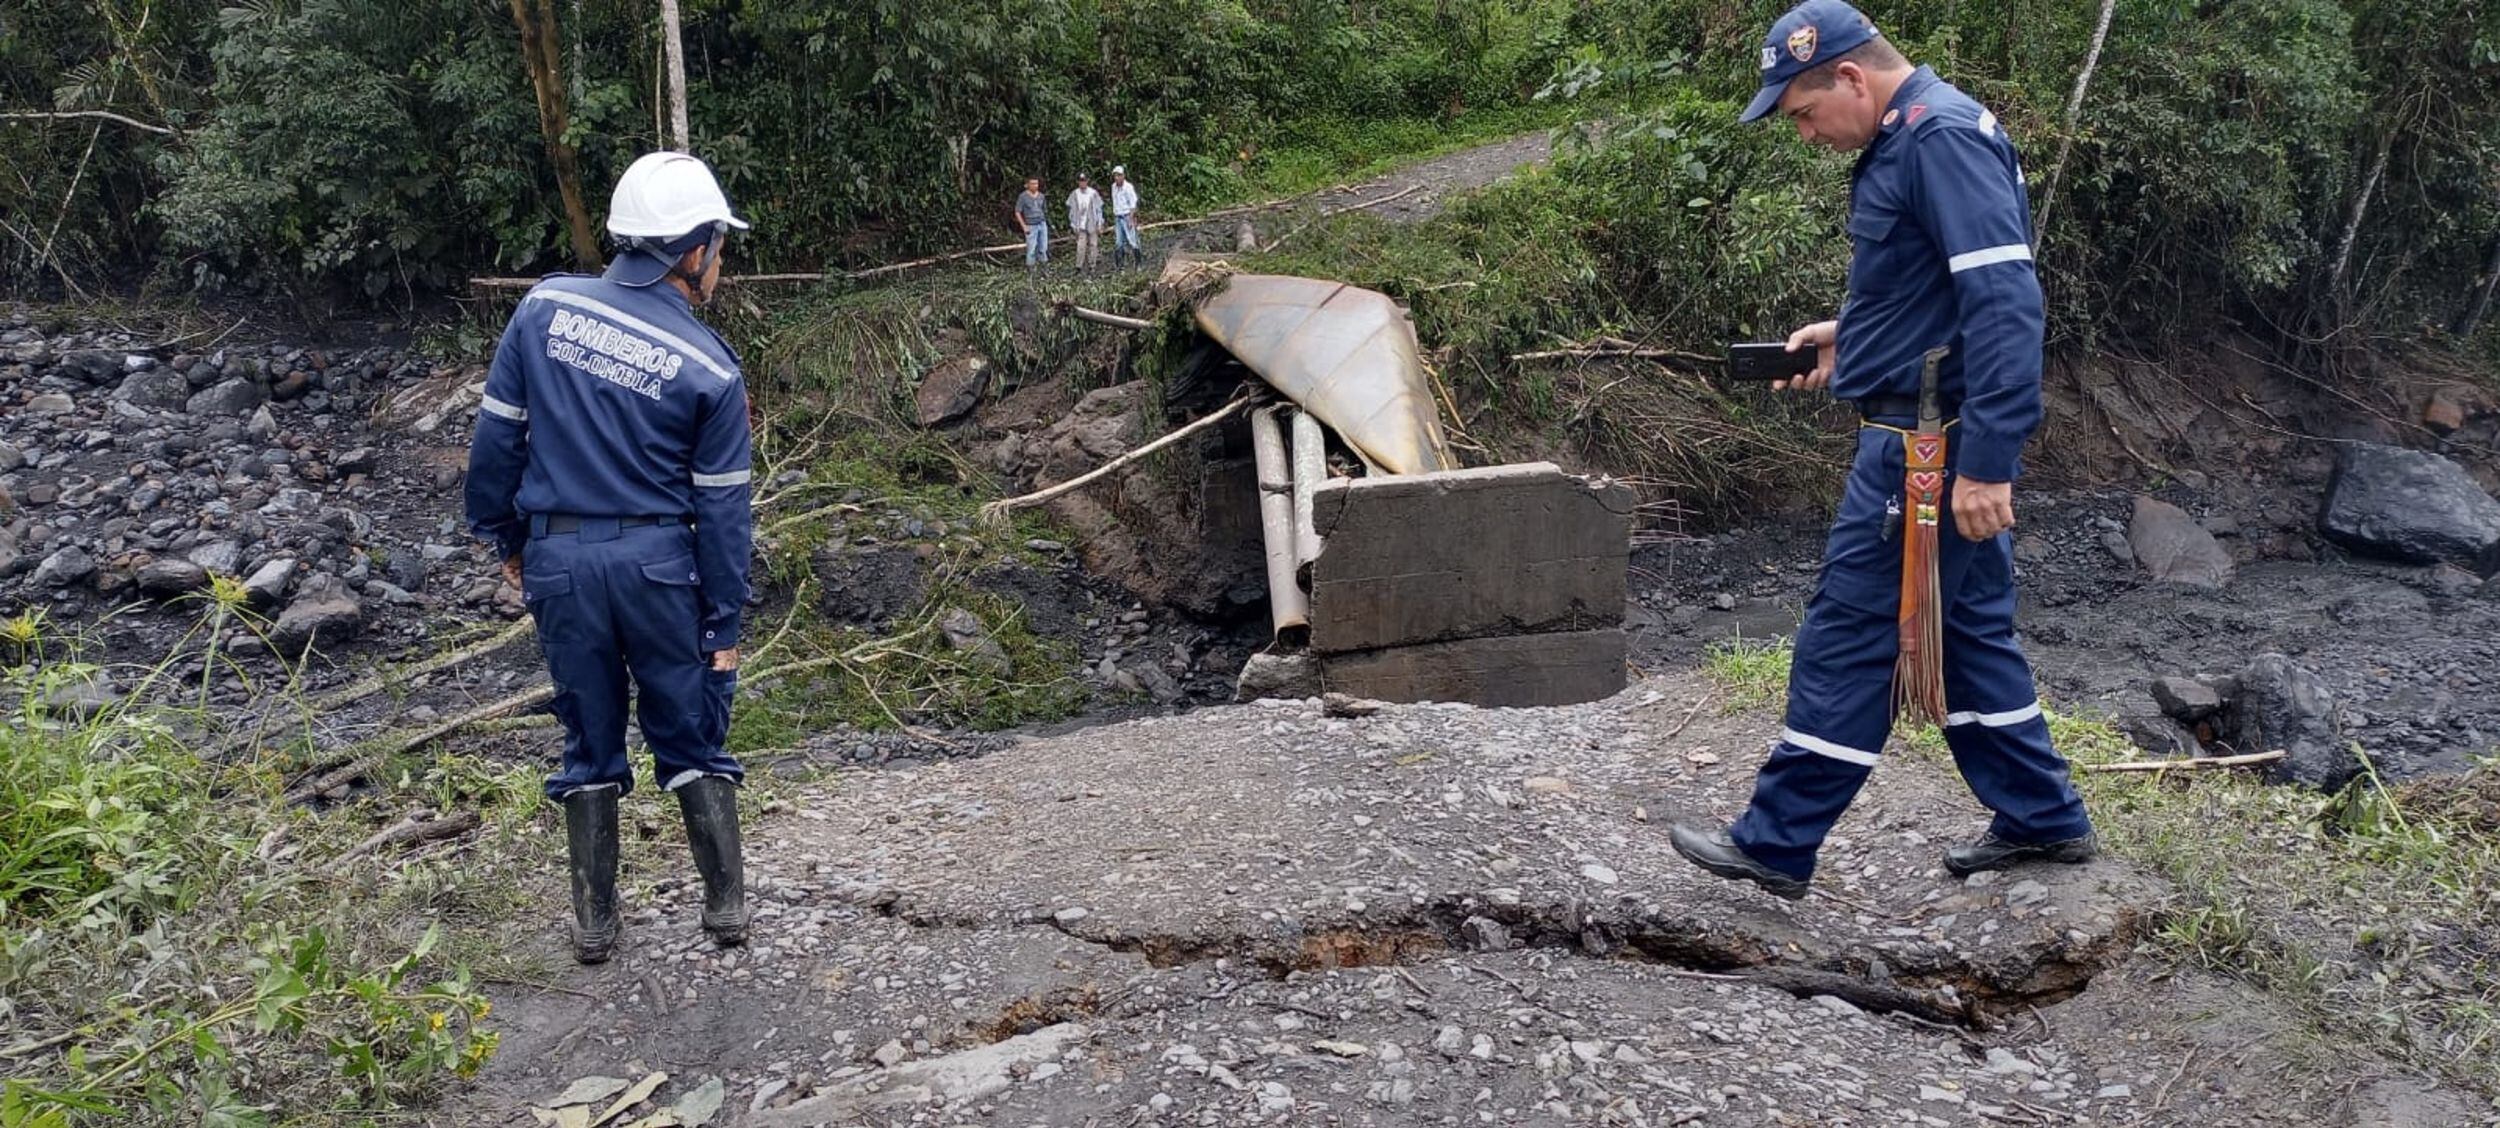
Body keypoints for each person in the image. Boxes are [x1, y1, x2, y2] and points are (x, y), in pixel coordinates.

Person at [1667, 0, 2095, 899]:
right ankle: (2043, 818)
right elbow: (1935, 293)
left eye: (1804, 113)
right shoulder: (1919, 135)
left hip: (1927, 454)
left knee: (1850, 631)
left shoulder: (1938, 139)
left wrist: (1988, 464)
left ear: (1852, 78)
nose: (1805, 133)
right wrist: (1849, 341)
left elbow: (2008, 305)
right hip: (1920, 433)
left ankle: (1776, 842)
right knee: (1969, 637)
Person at [465, 151, 756, 962]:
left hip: (560, 564)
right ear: (692, 251)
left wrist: (506, 539)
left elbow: (497, 443)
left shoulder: (543, 309)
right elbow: (723, 512)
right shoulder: (710, 369)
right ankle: (725, 910)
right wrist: (723, 620)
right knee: (689, 732)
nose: (721, 264)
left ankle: (595, 925)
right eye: (720, 249)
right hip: (660, 568)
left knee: (587, 736)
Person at [1067, 173, 1105, 273]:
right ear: (1078, 182)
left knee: (1093, 245)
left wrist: (1100, 222)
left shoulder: (1093, 193)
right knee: (1080, 246)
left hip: (1092, 222)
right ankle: (1078, 266)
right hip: (1080, 224)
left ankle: (1092, 265)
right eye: (1080, 181)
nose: (1082, 183)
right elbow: (1071, 211)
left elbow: (1099, 209)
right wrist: (1073, 224)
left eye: (1084, 180)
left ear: (1087, 181)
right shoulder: (1074, 194)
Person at [1108, 165, 1142, 268]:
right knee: (1119, 242)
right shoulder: (1113, 187)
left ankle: (1138, 264)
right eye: (1115, 175)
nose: (1117, 178)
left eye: (1119, 175)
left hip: (1127, 216)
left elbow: (1133, 204)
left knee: (1132, 240)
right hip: (1118, 217)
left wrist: (1131, 219)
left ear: (1123, 176)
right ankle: (1120, 266)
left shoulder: (1128, 187)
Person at [1015, 177, 1050, 273]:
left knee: (1043, 248)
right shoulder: (1023, 197)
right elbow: (1017, 212)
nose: (1035, 186)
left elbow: (1044, 210)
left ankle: (1044, 269)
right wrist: (1024, 226)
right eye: (1033, 184)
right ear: (1027, 185)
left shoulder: (1041, 196)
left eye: (1036, 184)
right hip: (1031, 225)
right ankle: (1031, 270)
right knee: (1031, 249)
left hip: (1042, 224)